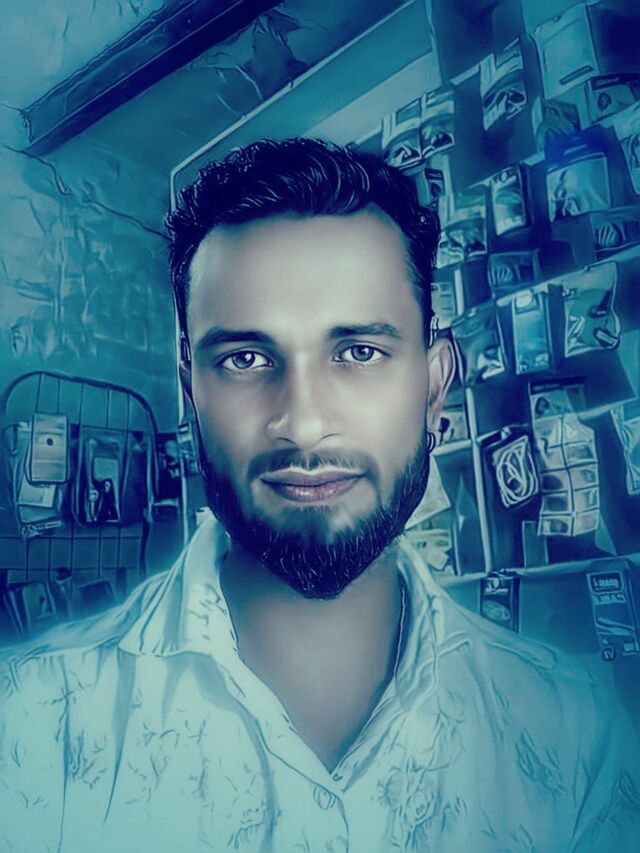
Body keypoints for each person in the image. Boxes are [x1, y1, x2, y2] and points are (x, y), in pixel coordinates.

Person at [0, 138, 638, 852]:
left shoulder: (576, 738)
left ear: (434, 388)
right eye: (246, 358)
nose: (302, 423)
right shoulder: (29, 726)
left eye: (359, 352)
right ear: (192, 394)